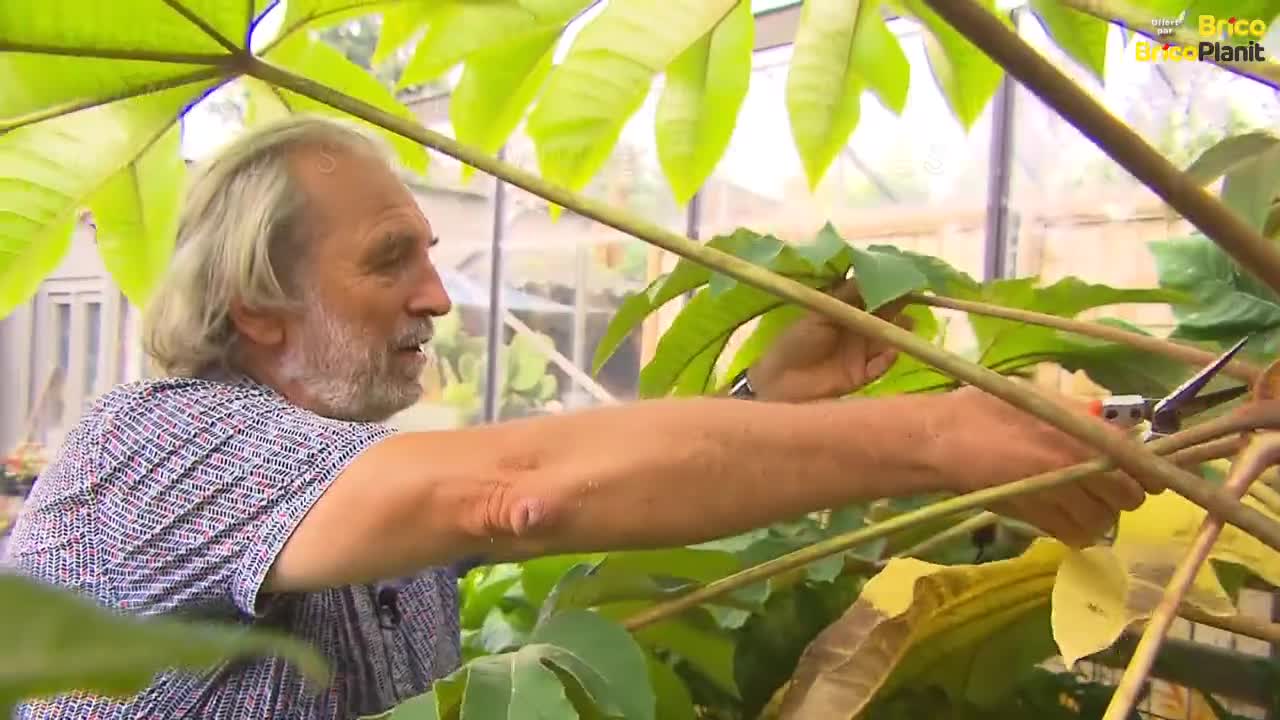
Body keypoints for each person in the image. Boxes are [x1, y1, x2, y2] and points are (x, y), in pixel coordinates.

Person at [5, 115, 1156, 720]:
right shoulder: (156, 444)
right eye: (389, 261)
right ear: (257, 305)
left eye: (433, 257)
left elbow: (564, 483)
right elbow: (518, 491)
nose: (437, 298)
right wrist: (934, 439)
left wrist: (758, 404)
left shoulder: (338, 498)